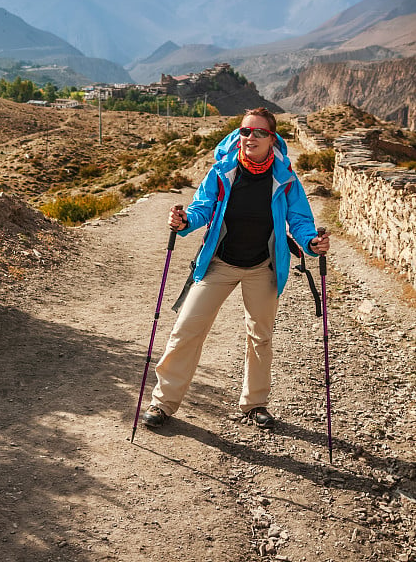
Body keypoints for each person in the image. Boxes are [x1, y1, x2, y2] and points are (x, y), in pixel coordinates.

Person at [141, 107, 330, 430]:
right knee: (186, 329)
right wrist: (185, 221)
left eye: (259, 132)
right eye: (245, 131)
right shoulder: (222, 171)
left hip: (262, 267)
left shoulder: (285, 178)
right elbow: (201, 208)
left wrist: (312, 242)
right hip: (219, 263)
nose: (250, 137)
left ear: (273, 139)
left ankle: (255, 403)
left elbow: (299, 219)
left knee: (261, 336)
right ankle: (163, 403)